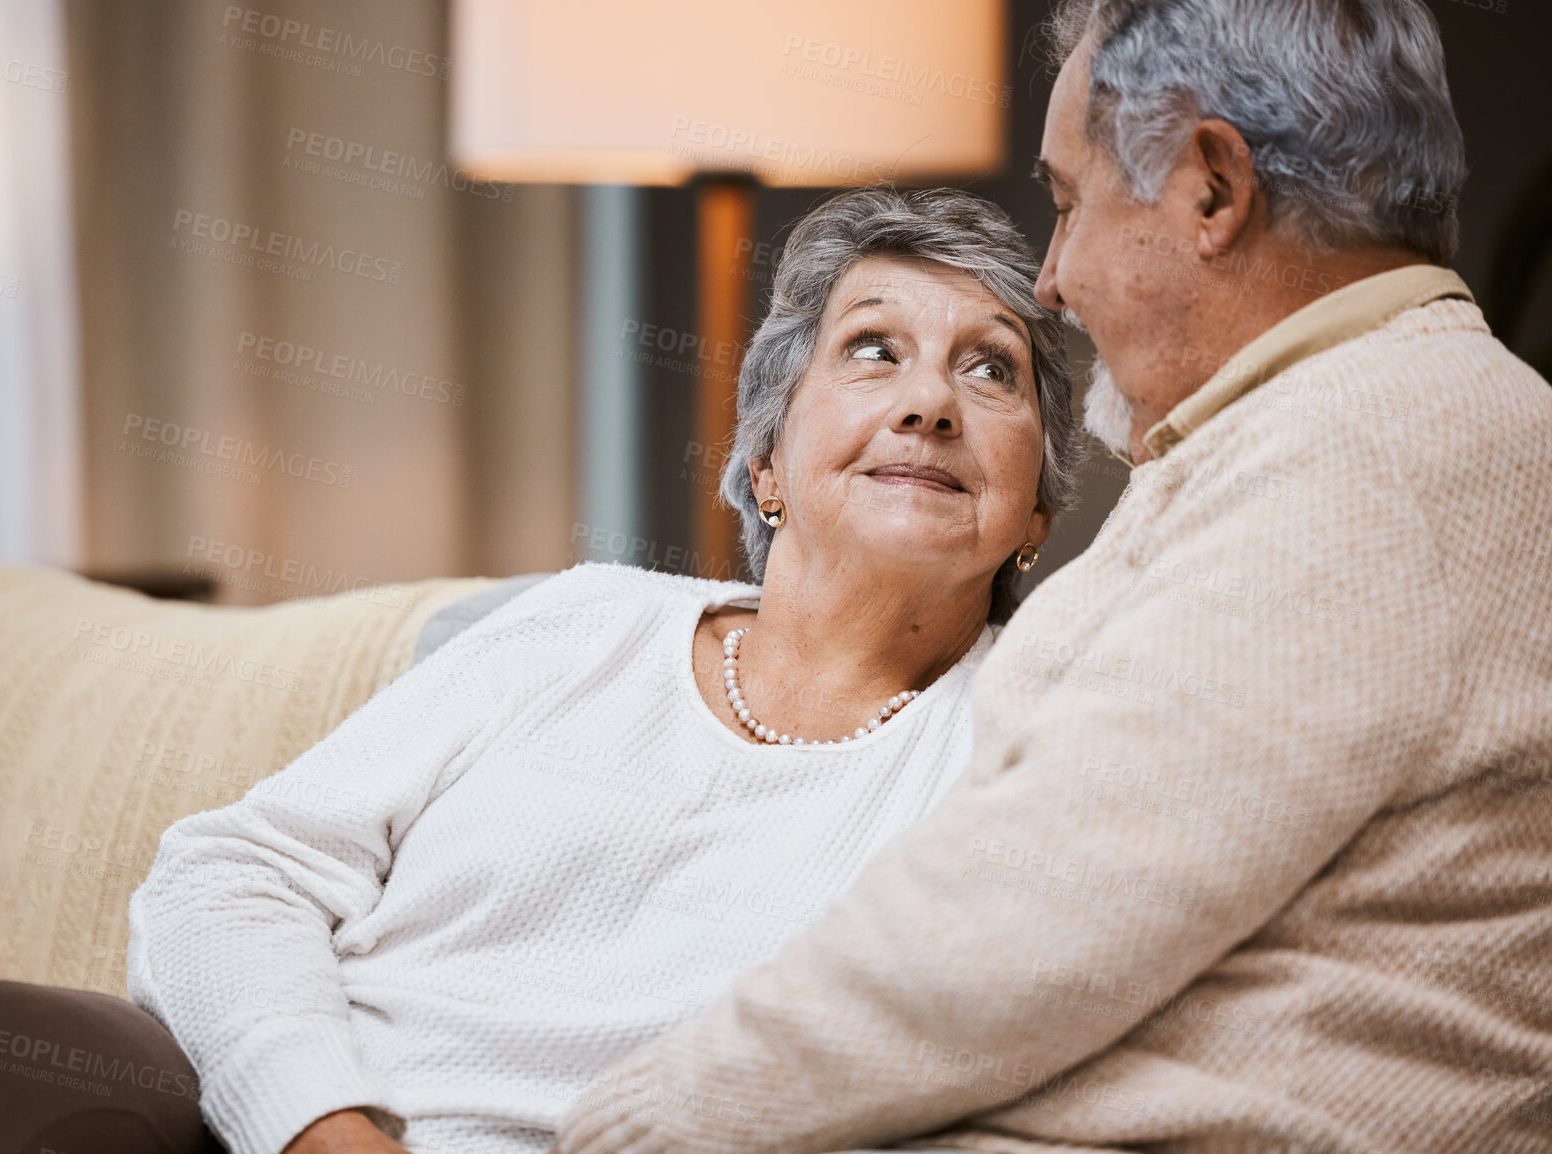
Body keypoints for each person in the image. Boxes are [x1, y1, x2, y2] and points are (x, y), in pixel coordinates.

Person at [0, 187, 1078, 1154]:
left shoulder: (1022, 739)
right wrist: (321, 1121)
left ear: (1034, 513)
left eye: (991, 369)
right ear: (765, 461)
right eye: (873, 349)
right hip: (286, 1126)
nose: (929, 403)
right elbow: (231, 871)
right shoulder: (590, 624)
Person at [552, 3, 1552, 1154]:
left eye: (1070, 206)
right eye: (874, 350)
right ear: (764, 458)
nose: (1055, 277)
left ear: (1213, 192)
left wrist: (613, 1135)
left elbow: (1008, 934)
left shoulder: (1372, 457)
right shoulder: (1335, 427)